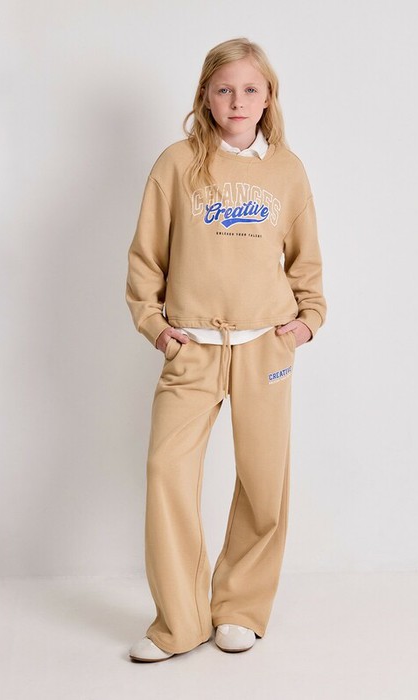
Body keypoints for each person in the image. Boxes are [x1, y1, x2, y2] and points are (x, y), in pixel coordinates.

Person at [125, 36, 327, 662]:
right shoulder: (176, 164)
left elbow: (306, 263)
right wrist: (156, 326)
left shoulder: (287, 170)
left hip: (266, 344)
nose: (237, 100)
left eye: (250, 89)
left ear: (268, 99)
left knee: (264, 482)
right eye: (224, 89)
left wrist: (307, 322)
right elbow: (146, 259)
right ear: (206, 97)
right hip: (192, 346)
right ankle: (180, 622)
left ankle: (239, 607)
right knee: (167, 472)